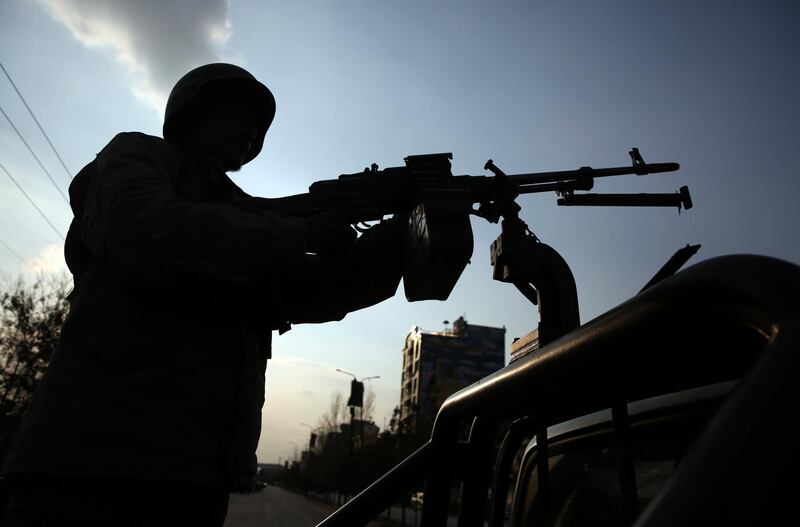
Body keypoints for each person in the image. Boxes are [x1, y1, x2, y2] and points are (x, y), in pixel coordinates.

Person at [0, 63, 405, 526]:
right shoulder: (138, 156)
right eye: (236, 114)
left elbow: (315, 290)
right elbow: (139, 228)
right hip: (88, 462)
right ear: (193, 113)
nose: (250, 129)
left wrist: (400, 243)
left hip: (193, 474)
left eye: (256, 125)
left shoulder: (245, 219)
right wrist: (299, 233)